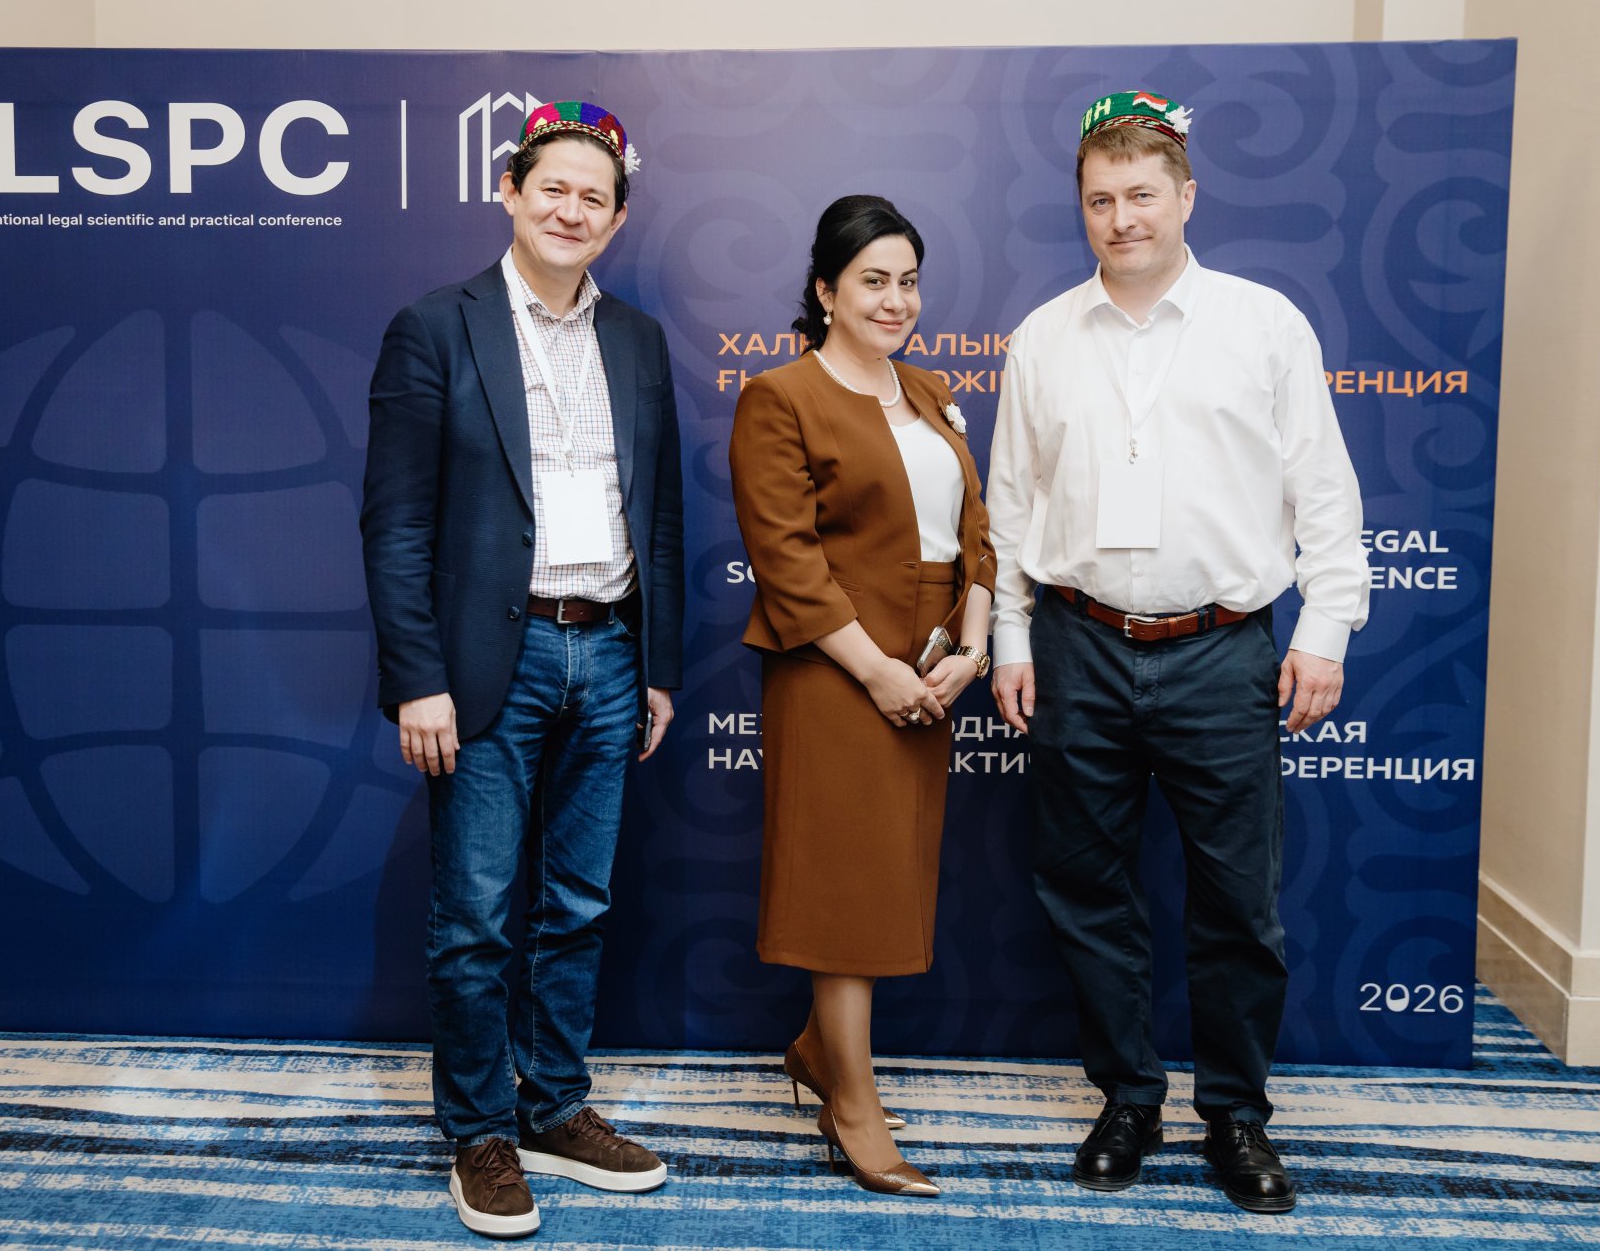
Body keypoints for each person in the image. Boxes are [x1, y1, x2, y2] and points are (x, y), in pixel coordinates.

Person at [984, 90, 1369, 1215]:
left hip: (1222, 651)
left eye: (1142, 195)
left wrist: (1325, 628)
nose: (1122, 219)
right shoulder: (1042, 338)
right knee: (1084, 888)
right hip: (1077, 644)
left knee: (1238, 902)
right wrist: (1010, 634)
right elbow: (1011, 506)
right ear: (1082, 207)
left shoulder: (1264, 324)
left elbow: (1323, 493)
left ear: (1186, 195)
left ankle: (1236, 1113)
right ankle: (1127, 1096)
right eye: (1100, 200)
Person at [361, 100, 683, 1239]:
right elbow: (396, 522)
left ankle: (553, 1107)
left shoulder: (637, 340)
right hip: (490, 655)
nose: (571, 210)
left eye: (594, 197)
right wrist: (418, 676)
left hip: (611, 646)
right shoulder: (433, 328)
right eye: (553, 188)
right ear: (509, 190)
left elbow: (660, 513)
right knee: (475, 916)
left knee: (579, 904)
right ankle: (480, 1130)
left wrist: (657, 664)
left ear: (617, 218)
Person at [729, 195, 995, 1198]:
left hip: (930, 663)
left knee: (886, 873)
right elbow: (786, 561)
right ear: (825, 291)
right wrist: (876, 670)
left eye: (908, 281)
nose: (895, 300)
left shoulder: (929, 390)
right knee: (844, 883)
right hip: (834, 669)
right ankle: (852, 1104)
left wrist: (971, 646)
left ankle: (815, 1049)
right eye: (872, 280)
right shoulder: (780, 396)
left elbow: (976, 533)